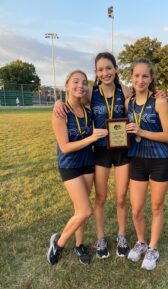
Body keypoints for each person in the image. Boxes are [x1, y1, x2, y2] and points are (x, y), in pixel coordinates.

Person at [53, 52, 131, 258]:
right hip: (101, 151)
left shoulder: (125, 90)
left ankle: (122, 235)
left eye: (109, 68)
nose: (105, 73)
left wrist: (159, 95)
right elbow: (73, 98)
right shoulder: (91, 93)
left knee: (122, 197)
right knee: (101, 197)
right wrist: (58, 102)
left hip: (123, 150)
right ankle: (100, 238)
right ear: (96, 73)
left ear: (116, 69)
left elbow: (144, 95)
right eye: (100, 69)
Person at [47, 70, 108, 265]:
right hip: (69, 165)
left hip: (87, 164)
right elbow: (65, 147)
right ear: (66, 85)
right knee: (85, 210)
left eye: (84, 82)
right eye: (75, 82)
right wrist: (92, 138)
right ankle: (59, 242)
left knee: (78, 209)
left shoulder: (88, 112)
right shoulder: (60, 112)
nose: (80, 86)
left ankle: (79, 245)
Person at [125, 58, 168, 270]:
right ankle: (141, 241)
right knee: (136, 209)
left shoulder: (159, 101)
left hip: (159, 160)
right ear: (131, 77)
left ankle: (153, 247)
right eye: (137, 75)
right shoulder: (128, 102)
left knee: (156, 207)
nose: (140, 79)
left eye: (145, 76)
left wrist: (142, 132)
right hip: (136, 160)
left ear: (151, 78)